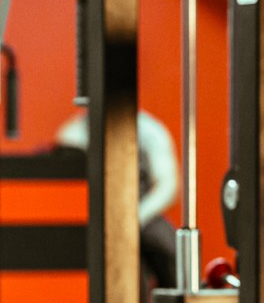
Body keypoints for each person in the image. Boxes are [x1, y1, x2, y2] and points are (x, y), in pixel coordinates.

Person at [54, 106, 181, 291]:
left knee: (171, 251)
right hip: (91, 213)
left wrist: (135, 218)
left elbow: (168, 185)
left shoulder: (149, 131)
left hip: (140, 212)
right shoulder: (75, 133)